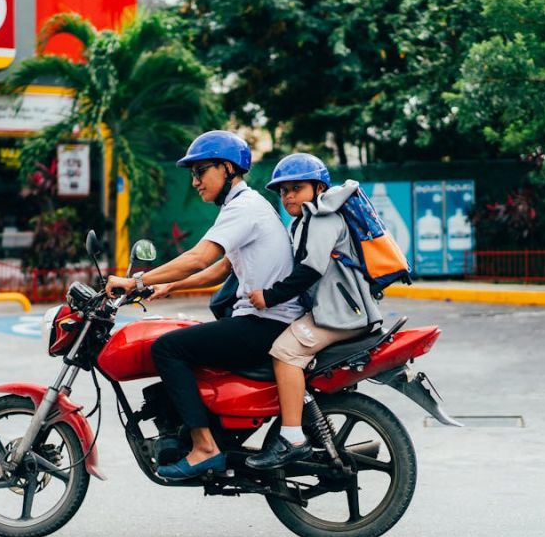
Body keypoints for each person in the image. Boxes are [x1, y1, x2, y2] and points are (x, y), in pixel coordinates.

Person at [105, 131, 303, 480]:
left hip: (265, 324)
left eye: (201, 171)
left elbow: (200, 257)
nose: (195, 182)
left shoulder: (244, 207)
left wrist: (137, 281)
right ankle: (202, 431)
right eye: (192, 174)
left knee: (167, 348)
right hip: (265, 320)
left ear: (227, 168)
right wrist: (168, 286)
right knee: (186, 341)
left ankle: (205, 448)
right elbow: (222, 268)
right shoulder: (246, 205)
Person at [244, 153, 383, 469]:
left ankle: (292, 437)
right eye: (283, 190)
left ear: (319, 188)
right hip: (335, 310)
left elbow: (310, 269)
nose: (288, 195)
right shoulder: (304, 220)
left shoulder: (323, 217)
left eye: (297, 187)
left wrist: (270, 296)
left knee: (284, 352)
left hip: (344, 314)